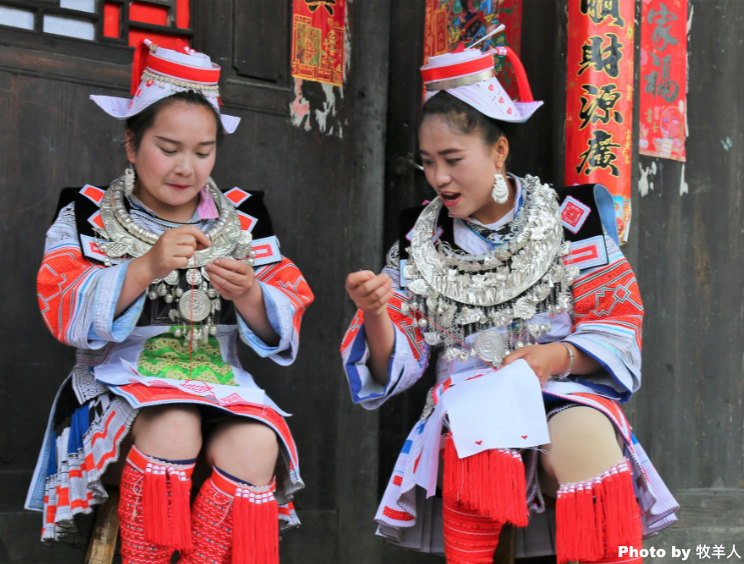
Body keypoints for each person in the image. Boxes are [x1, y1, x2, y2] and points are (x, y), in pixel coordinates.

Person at [341, 44, 678, 563]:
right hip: (468, 404)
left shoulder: (572, 217)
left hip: (560, 386)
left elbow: (617, 316)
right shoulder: (419, 239)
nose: (439, 178)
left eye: (454, 160)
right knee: (479, 449)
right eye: (429, 163)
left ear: (499, 151)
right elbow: (399, 360)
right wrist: (376, 312)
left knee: (589, 445)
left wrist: (555, 357)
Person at [25, 40, 314, 564]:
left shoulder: (245, 219)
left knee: (256, 445)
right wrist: (144, 268)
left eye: (203, 152)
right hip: (119, 387)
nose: (187, 167)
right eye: (168, 148)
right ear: (131, 144)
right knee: (175, 424)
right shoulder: (84, 212)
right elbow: (60, 306)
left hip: (222, 388)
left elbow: (286, 307)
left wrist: (250, 294)